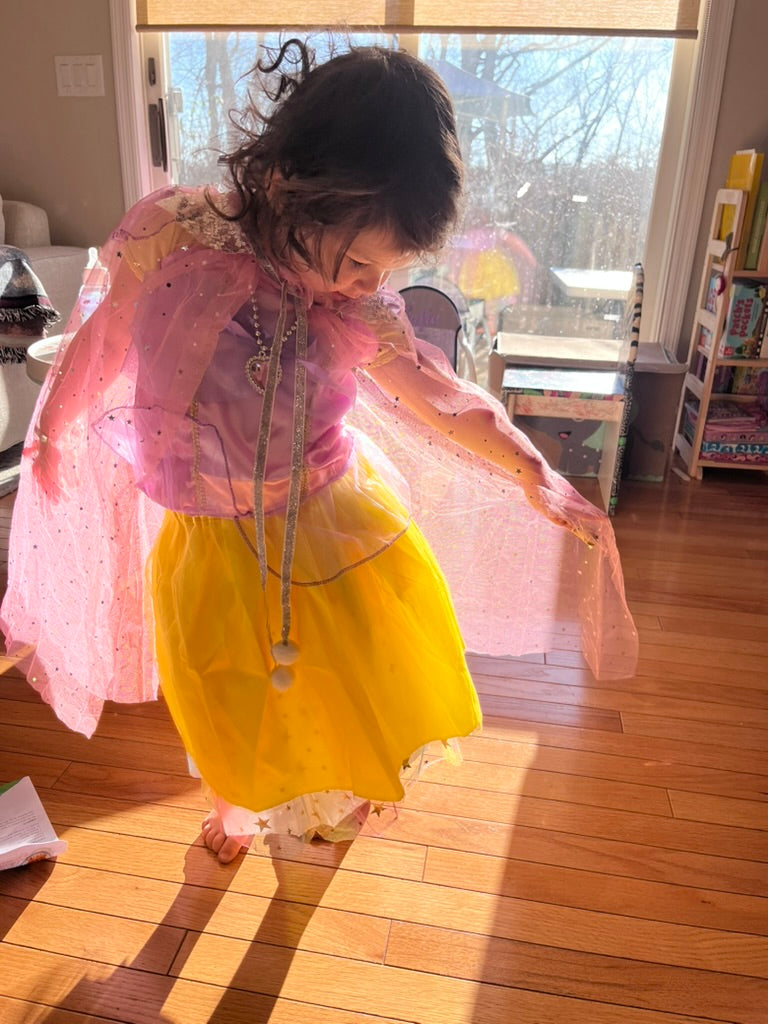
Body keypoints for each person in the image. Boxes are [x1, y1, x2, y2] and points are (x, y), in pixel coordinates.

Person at [0, 42, 637, 863]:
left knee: (350, 680)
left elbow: (440, 399)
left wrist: (531, 470)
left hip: (329, 523)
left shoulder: (357, 311)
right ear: (287, 188)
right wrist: (56, 427)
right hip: (208, 539)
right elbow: (104, 338)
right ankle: (235, 809)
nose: (370, 286)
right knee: (223, 694)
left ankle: (344, 790)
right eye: (361, 261)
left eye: (389, 270)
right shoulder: (169, 234)